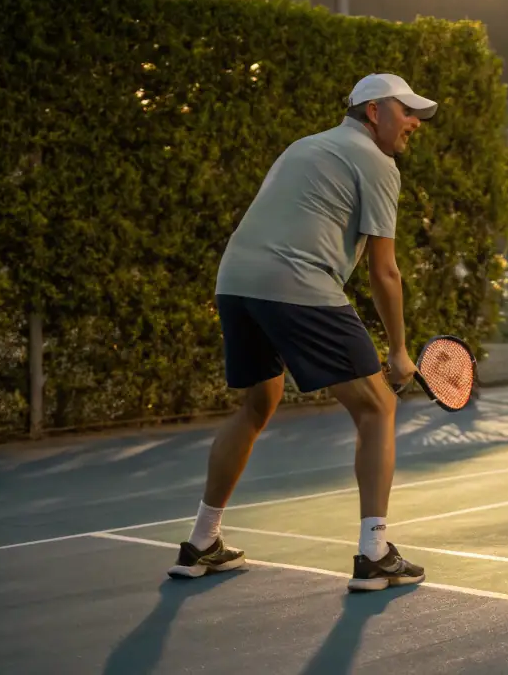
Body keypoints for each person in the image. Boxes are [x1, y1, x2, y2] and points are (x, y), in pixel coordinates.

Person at [167, 73, 438, 593]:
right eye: (406, 111)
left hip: (236, 282)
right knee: (378, 408)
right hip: (296, 281)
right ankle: (375, 554)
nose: (413, 124)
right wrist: (400, 352)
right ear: (374, 111)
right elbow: (385, 271)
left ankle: (201, 543)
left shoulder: (305, 146)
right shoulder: (378, 163)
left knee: (257, 403)